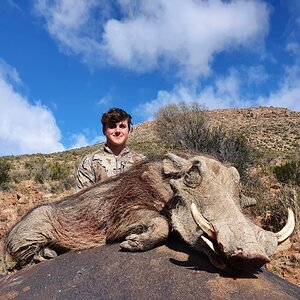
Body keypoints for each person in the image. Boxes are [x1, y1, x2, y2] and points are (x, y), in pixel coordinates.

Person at [76, 108, 145, 191]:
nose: (118, 131)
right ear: (104, 131)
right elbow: (82, 199)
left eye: (122, 126)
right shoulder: (89, 162)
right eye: (112, 126)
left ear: (129, 130)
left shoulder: (142, 162)